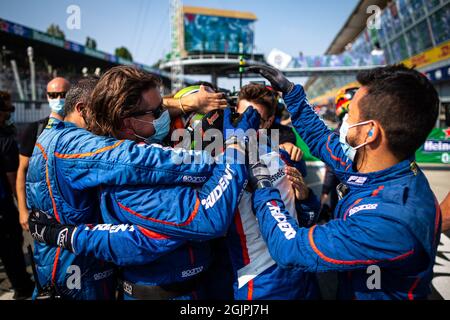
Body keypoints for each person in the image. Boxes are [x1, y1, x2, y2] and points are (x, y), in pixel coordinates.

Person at [30, 85, 321, 300]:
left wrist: (305, 196)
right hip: (155, 291)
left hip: (216, 285)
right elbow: (161, 232)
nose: (168, 118)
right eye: (161, 112)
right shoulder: (127, 169)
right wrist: (228, 155)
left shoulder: (261, 153)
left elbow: (302, 214)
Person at [248, 64, 441, 300]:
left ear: (370, 132)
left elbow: (291, 249)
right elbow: (321, 138)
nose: (344, 120)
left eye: (350, 113)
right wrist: (291, 92)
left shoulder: (391, 218)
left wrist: (264, 187)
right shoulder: (373, 163)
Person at [16, 77, 71, 231]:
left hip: (74, 212)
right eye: (53, 95)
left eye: (63, 94)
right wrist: (22, 209)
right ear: (47, 97)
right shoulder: (34, 130)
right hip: (43, 214)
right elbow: (22, 170)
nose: (59, 99)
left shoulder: (83, 129)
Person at [0, 95, 34, 299]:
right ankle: (23, 289)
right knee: (12, 252)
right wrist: (23, 207)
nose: (9, 114)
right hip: (3, 210)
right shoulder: (5, 140)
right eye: (7, 110)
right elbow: (14, 180)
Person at [320, 87, 359, 222]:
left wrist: (324, 192)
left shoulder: (336, 136)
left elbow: (331, 169)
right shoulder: (369, 134)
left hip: (344, 200)